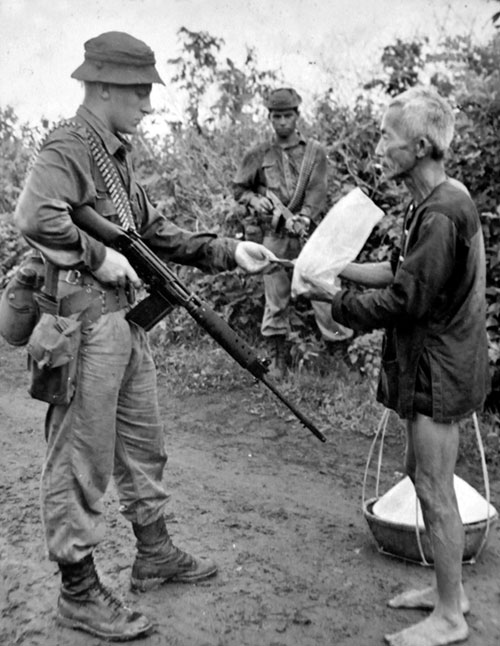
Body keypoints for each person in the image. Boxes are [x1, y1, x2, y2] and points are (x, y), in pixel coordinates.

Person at [14, 31, 277, 641]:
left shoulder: (114, 153)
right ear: (102, 85)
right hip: (83, 326)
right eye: (138, 91)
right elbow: (33, 215)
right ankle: (77, 592)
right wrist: (94, 256)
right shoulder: (67, 146)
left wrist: (228, 250)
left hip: (123, 325)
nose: (148, 105)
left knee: (142, 443)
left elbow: (148, 231)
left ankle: (154, 552)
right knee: (81, 458)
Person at [299, 87, 490, 646]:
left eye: (388, 136)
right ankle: (447, 589)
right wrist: (333, 268)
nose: (380, 146)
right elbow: (400, 272)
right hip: (433, 361)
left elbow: (407, 302)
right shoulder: (430, 202)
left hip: (438, 367)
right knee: (420, 475)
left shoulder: (442, 213)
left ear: (422, 145)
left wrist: (335, 304)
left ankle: (451, 617)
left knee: (433, 487)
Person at [232, 87, 352, 378]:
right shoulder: (258, 153)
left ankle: (338, 356)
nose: (282, 122)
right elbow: (239, 189)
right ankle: (278, 359)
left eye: (287, 115)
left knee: (324, 291)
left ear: (298, 116)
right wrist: (255, 200)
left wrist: (305, 217)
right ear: (270, 117)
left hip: (309, 233)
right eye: (277, 116)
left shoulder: (314, 153)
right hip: (274, 235)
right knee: (276, 298)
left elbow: (318, 190)